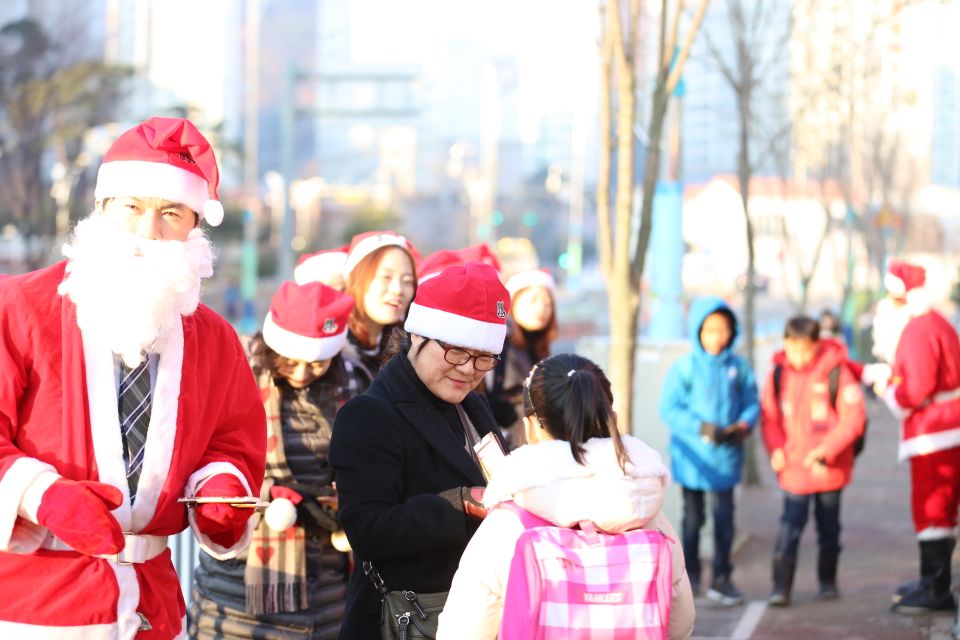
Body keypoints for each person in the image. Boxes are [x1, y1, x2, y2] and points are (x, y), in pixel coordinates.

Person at [0, 116, 266, 639]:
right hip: (34, 604)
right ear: (102, 209)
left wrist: (219, 492)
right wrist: (43, 496)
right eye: (133, 208)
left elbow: (232, 441)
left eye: (171, 212)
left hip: (151, 608)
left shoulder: (215, 339)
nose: (149, 231)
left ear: (194, 225)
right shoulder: (20, 308)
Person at [437, 353, 695, 639]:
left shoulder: (508, 524)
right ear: (612, 419)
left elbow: (462, 631)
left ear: (531, 426)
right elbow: (679, 623)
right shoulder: (645, 512)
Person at [329, 262, 510, 639]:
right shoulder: (369, 415)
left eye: (484, 358)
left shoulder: (472, 405)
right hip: (407, 619)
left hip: (475, 614)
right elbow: (368, 530)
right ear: (418, 335)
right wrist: (460, 503)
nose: (469, 370)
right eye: (458, 352)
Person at [190, 281, 362, 638]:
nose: (301, 373)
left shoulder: (354, 386)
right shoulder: (237, 377)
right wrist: (278, 494)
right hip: (242, 580)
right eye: (291, 361)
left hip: (327, 583)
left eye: (317, 363)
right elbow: (204, 460)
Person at [871, 261, 960, 613]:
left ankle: (936, 588)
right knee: (938, 507)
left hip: (936, 431)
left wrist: (891, 394)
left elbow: (917, 387)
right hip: (943, 427)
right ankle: (932, 581)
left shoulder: (919, 328)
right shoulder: (931, 323)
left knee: (932, 507)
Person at [658, 296, 759, 605]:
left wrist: (743, 425)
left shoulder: (739, 367)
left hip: (727, 457)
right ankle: (689, 578)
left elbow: (752, 402)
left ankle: (722, 578)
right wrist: (702, 428)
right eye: (711, 329)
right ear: (698, 330)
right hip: (693, 462)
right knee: (692, 519)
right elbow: (669, 409)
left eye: (724, 329)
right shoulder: (685, 368)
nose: (718, 336)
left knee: (725, 519)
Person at [760, 316, 866, 606]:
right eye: (792, 349)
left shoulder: (837, 372)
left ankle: (827, 581)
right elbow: (770, 419)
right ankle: (780, 587)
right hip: (794, 468)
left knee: (829, 527)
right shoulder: (778, 374)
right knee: (789, 527)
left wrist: (827, 449)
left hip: (828, 469)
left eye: (804, 350)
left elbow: (854, 419)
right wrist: (776, 448)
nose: (797, 356)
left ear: (817, 345)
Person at [486, 269, 558, 449]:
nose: (542, 308)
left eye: (548, 303)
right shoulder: (499, 344)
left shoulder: (538, 346)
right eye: (533, 300)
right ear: (513, 301)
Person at [340, 231, 418, 387]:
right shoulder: (329, 348)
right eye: (385, 277)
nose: (398, 290)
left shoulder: (408, 350)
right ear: (354, 278)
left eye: (407, 280)